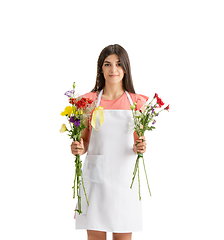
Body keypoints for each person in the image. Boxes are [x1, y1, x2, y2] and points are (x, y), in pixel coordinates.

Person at [71, 44, 148, 240]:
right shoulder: (88, 102)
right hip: (97, 178)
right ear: (101, 68)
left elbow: (138, 143)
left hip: (124, 179)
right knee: (96, 234)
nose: (113, 69)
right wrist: (78, 148)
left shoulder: (137, 102)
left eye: (119, 64)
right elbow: (85, 142)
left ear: (126, 68)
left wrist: (141, 147)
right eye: (108, 64)